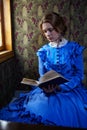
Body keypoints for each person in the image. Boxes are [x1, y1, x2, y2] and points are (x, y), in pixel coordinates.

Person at [0, 12, 87, 128]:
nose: (47, 34)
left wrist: (62, 87)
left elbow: (79, 75)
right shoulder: (43, 51)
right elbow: (42, 75)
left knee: (67, 111)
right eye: (45, 31)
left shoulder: (74, 48)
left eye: (50, 30)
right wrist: (45, 86)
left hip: (70, 89)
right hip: (48, 90)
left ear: (59, 28)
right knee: (38, 108)